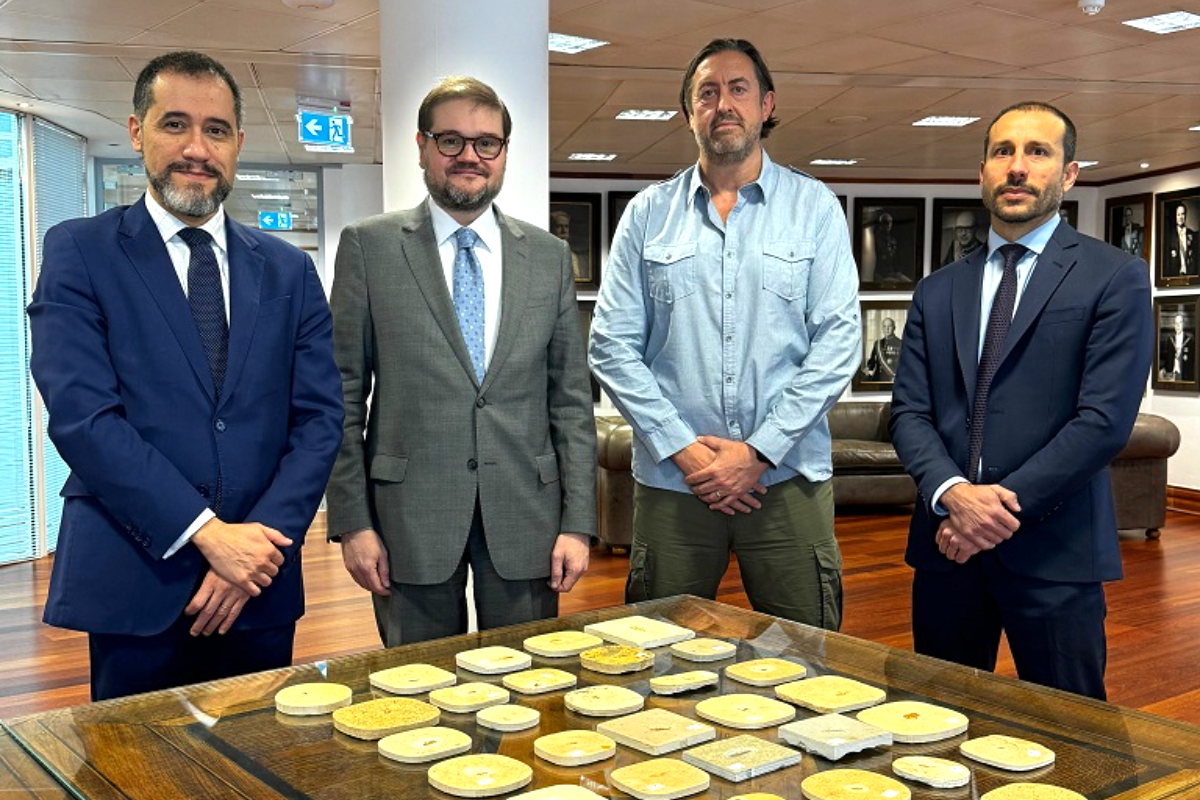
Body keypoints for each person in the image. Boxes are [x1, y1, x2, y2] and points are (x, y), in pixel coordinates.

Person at [27, 51, 344, 701]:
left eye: (217, 130)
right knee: (135, 776)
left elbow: (320, 419)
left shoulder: (289, 271)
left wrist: (251, 553)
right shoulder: (79, 251)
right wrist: (208, 536)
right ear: (137, 131)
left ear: (238, 145)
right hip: (135, 577)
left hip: (260, 582)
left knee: (257, 768)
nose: (197, 148)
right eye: (175, 124)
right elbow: (84, 419)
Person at [589, 39, 860, 629]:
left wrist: (757, 452)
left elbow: (839, 344)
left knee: (807, 654)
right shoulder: (647, 214)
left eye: (738, 89)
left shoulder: (815, 208)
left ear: (766, 105)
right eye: (706, 93)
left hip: (786, 481)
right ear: (689, 114)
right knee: (659, 656)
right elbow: (610, 344)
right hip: (673, 484)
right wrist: (689, 454)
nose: (723, 104)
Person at [889, 101, 1153, 700]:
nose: (1017, 167)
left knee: (1074, 738)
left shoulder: (1114, 276)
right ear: (982, 170)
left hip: (1055, 553)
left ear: (1068, 175)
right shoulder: (938, 290)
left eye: (1038, 152)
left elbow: (1103, 421)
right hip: (945, 547)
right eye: (1003, 151)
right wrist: (954, 496)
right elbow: (908, 412)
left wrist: (994, 512)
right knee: (938, 726)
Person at [327, 76, 596, 646]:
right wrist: (352, 522)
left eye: (486, 142)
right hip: (407, 519)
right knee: (417, 690)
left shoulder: (548, 258)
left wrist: (578, 524)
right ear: (421, 146)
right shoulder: (369, 247)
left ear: (504, 153)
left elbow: (570, 401)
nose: (469, 156)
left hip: (529, 515)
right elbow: (341, 399)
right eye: (450, 141)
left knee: (529, 689)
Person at [862, 317, 902, 381]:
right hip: (878, 378)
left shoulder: (900, 343)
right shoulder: (877, 343)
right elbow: (872, 361)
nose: (887, 329)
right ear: (882, 329)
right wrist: (868, 368)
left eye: (889, 326)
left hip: (892, 378)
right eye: (884, 326)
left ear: (894, 328)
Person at [550, 209, 585, 280]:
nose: (564, 231)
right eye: (559, 226)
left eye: (566, 226)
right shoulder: (545, 254)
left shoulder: (572, 256)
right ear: (551, 229)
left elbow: (577, 280)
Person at [1160, 312, 1194, 382]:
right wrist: (1163, 369)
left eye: (1180, 323)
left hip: (1185, 376)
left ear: (1183, 324)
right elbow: (1167, 358)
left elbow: (1192, 362)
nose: (1178, 325)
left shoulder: (1189, 341)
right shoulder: (1170, 340)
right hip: (1171, 375)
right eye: (1176, 323)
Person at [1164, 203, 1196, 276]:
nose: (1181, 217)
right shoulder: (1169, 236)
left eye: (1183, 214)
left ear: (1185, 215)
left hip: (1190, 275)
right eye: (1178, 214)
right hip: (1174, 275)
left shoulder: (1192, 235)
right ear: (1175, 216)